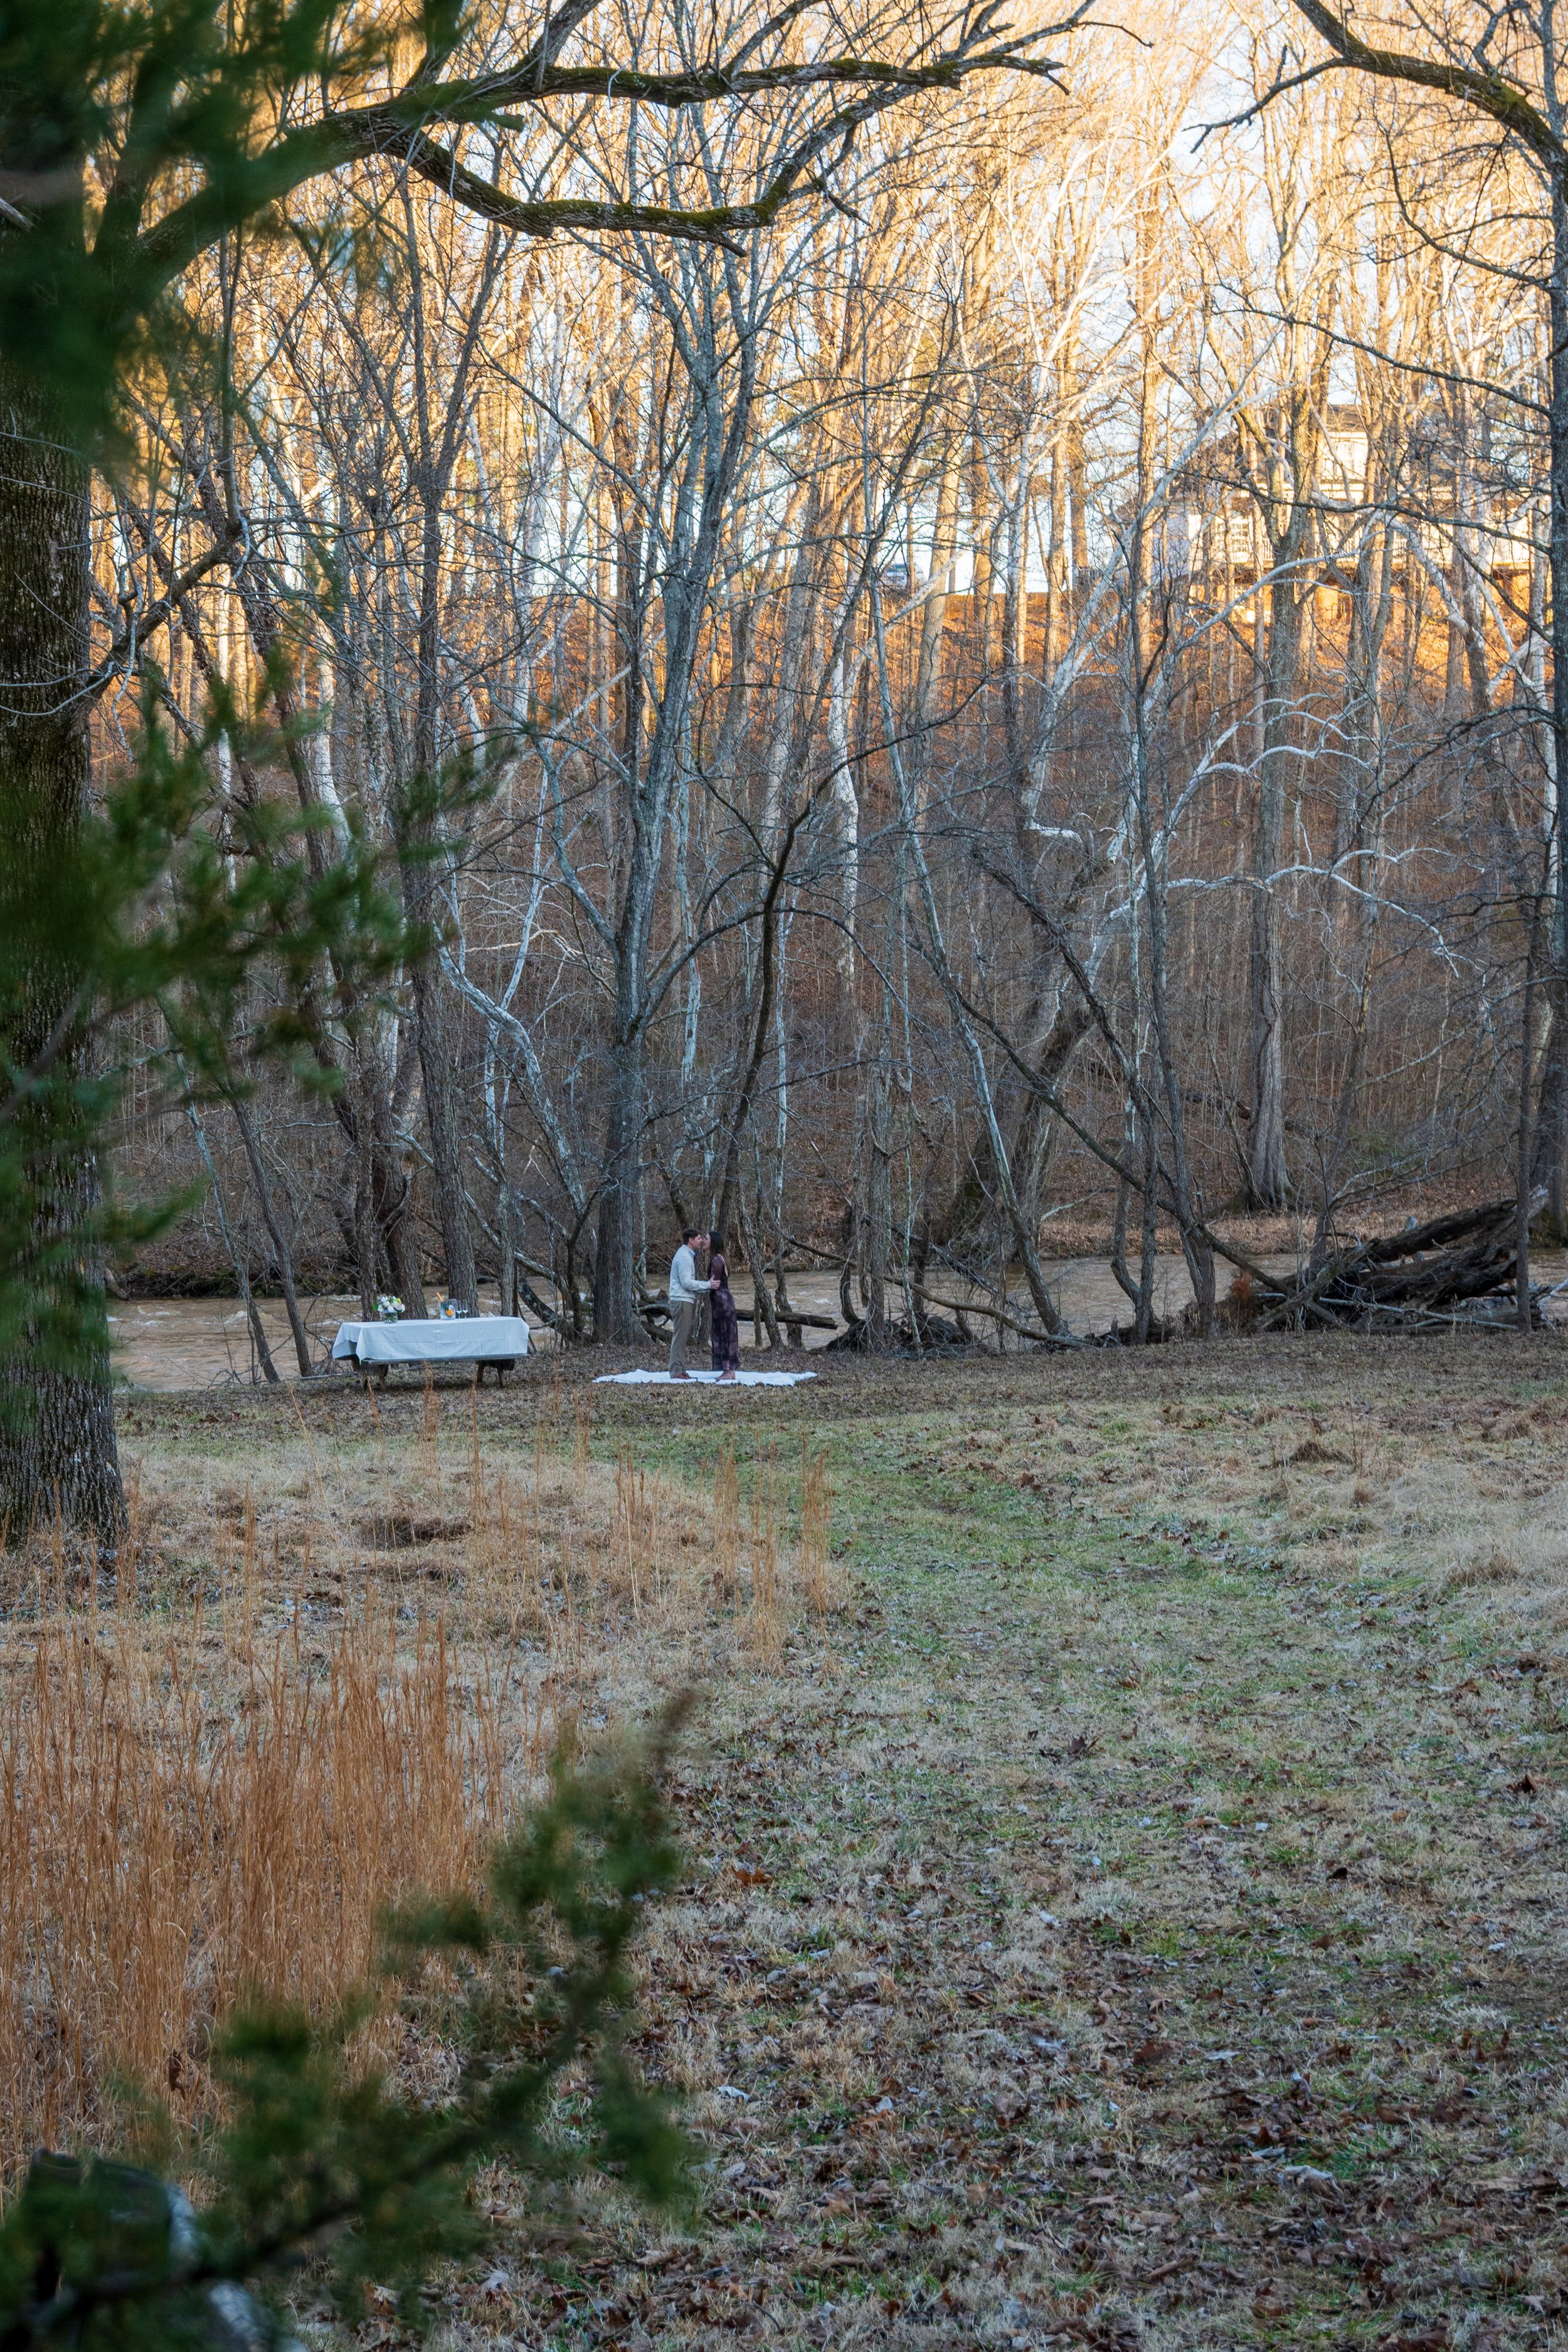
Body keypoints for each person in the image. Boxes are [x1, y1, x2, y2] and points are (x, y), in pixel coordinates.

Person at [667, 1225, 708, 1379]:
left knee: (682, 1336)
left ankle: (679, 1369)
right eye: (699, 1239)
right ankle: (677, 1371)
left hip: (683, 1300)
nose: (701, 1241)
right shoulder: (684, 1256)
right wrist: (708, 1285)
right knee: (680, 1336)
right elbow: (687, 1283)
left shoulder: (686, 1255)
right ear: (691, 1240)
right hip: (682, 1301)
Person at [707, 1229, 739, 1380]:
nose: (703, 1241)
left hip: (721, 1301)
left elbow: (714, 1283)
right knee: (729, 1334)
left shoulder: (716, 1261)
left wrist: (704, 1287)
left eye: (706, 1239)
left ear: (713, 1242)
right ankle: (730, 1370)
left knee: (725, 1334)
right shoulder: (722, 1258)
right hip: (726, 1299)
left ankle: (728, 1370)